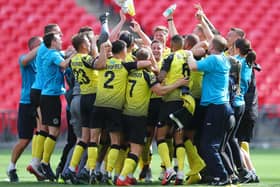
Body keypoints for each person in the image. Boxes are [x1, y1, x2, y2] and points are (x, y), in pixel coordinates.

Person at [116, 47, 189, 186]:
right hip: (138, 116)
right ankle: (122, 178)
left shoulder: (127, 72)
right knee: (136, 149)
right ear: (148, 60)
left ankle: (125, 176)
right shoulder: (147, 76)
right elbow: (160, 91)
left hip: (125, 113)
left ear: (136, 60)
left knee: (125, 146)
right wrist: (177, 83)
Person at [188, 35, 234, 186]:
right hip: (222, 106)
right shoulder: (223, 59)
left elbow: (193, 66)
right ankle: (224, 175)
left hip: (216, 107)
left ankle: (222, 176)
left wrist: (188, 53)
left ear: (212, 47)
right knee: (214, 145)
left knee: (208, 145)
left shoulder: (213, 59)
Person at [27, 24, 64, 180]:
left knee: (42, 129)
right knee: (46, 129)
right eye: (58, 33)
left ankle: (37, 162)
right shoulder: (48, 50)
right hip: (43, 91)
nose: (61, 35)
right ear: (51, 35)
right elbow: (60, 61)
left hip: (39, 90)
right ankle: (39, 162)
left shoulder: (44, 49)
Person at [6, 36, 42, 182]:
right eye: (40, 45)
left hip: (41, 101)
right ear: (34, 46)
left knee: (44, 134)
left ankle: (38, 165)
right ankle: (11, 167)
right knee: (24, 140)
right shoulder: (24, 59)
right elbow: (25, 60)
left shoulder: (44, 61)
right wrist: (44, 45)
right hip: (27, 102)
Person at [38, 32, 72, 181]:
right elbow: (64, 64)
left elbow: (62, 56)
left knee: (52, 131)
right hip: (51, 97)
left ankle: (44, 162)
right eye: (59, 39)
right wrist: (75, 54)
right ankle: (44, 163)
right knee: (54, 131)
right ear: (52, 41)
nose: (61, 40)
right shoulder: (53, 55)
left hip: (47, 96)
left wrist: (69, 52)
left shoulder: (51, 54)